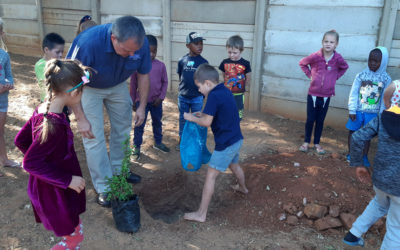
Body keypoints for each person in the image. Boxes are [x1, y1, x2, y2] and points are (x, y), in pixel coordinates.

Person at [66, 15, 151, 207]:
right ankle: (104, 186)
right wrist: (80, 117)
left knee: (122, 129)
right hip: (89, 89)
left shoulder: (140, 44)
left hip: (118, 84)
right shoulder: (87, 43)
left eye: (134, 51)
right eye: (126, 50)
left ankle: (119, 171)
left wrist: (142, 106)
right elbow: (71, 82)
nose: (131, 55)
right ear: (113, 38)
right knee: (93, 136)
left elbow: (144, 74)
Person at [14, 59, 88, 250]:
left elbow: (20, 141)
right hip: (57, 194)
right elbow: (30, 163)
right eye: (83, 90)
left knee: (73, 231)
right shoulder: (54, 125)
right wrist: (66, 179)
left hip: (52, 188)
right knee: (74, 237)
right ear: (73, 92)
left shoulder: (43, 109)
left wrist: (47, 161)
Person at [183, 64, 248, 223]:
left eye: (199, 87)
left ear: (207, 83)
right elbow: (213, 113)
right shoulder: (224, 90)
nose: (199, 91)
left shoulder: (212, 96)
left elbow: (206, 122)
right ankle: (243, 188)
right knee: (234, 165)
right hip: (236, 139)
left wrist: (192, 117)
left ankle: (201, 214)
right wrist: (202, 114)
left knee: (210, 176)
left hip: (225, 144)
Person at [342, 99, 400, 248]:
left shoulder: (384, 117)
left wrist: (358, 164)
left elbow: (356, 137)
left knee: (379, 204)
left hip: (380, 180)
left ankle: (353, 234)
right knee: (396, 229)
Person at [298, 30, 349, 154]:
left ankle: (316, 143)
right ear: (322, 42)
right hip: (313, 94)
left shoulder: (337, 58)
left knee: (320, 121)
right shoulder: (316, 56)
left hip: (326, 96)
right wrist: (310, 75)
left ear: (336, 44)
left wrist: (335, 77)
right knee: (310, 119)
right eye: (326, 41)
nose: (328, 44)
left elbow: (345, 67)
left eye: (331, 42)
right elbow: (302, 63)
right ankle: (306, 142)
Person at [346, 47, 391, 166]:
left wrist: (381, 115)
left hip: (373, 114)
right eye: (370, 60)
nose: (372, 63)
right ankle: (351, 154)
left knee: (367, 135)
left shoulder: (386, 79)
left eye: (376, 61)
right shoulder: (361, 75)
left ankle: (364, 156)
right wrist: (352, 109)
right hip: (357, 111)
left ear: (384, 62)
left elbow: (384, 98)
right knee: (353, 132)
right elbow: (354, 92)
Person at [130, 34, 169, 160]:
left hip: (156, 102)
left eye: (154, 51)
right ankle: (136, 147)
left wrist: (161, 97)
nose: (152, 54)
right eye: (149, 51)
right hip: (141, 102)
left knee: (157, 122)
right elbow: (133, 84)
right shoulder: (137, 66)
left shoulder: (161, 65)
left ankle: (158, 142)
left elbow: (165, 82)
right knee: (139, 124)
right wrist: (133, 100)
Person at [176, 32, 208, 150]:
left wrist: (202, 95)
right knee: (183, 118)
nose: (200, 46)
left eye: (201, 43)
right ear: (188, 45)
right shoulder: (182, 60)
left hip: (197, 98)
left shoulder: (204, 62)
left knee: (196, 119)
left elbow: (205, 81)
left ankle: (196, 142)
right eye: (196, 44)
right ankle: (182, 139)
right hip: (183, 97)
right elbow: (181, 76)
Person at [0, 17, 20, 176]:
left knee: (0, 131)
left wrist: (9, 84)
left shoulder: (4, 55)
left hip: (2, 101)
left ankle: (4, 160)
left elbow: (9, 76)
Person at [218, 35, 251, 120]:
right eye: (229, 52)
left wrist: (246, 87)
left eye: (235, 53)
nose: (232, 55)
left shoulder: (245, 63)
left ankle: (237, 121)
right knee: (226, 109)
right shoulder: (224, 62)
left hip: (239, 93)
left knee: (238, 110)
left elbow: (248, 76)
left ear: (241, 50)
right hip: (227, 92)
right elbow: (223, 74)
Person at [35, 33, 65, 102]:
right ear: (46, 50)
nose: (61, 55)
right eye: (57, 52)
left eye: (62, 52)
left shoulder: (58, 62)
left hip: (60, 100)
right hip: (48, 102)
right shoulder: (41, 65)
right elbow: (52, 83)